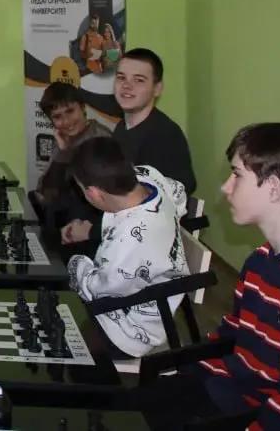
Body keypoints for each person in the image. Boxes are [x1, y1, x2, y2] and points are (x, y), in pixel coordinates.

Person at [147, 123, 280, 430]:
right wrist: (193, 371)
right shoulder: (260, 259)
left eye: (237, 174)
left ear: (274, 188)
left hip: (254, 413)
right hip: (226, 386)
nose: (226, 187)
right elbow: (234, 331)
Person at [61, 48, 197, 250]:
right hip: (115, 231)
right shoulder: (122, 128)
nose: (126, 86)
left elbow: (153, 211)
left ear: (157, 88)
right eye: (121, 77)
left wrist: (91, 231)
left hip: (140, 248)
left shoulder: (164, 136)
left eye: (139, 80)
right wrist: (79, 222)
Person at [65, 136, 188, 357]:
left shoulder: (129, 242)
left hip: (130, 331)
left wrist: (75, 263)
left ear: (93, 193)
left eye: (82, 190)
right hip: (142, 295)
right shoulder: (148, 175)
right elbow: (179, 192)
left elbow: (98, 288)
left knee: (58, 336)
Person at [32, 81, 111, 222]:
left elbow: (103, 199)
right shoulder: (63, 138)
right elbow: (48, 193)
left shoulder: (101, 138)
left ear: (83, 107)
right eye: (57, 117)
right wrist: (63, 152)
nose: (66, 121)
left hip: (90, 223)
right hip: (62, 219)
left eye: (70, 111)